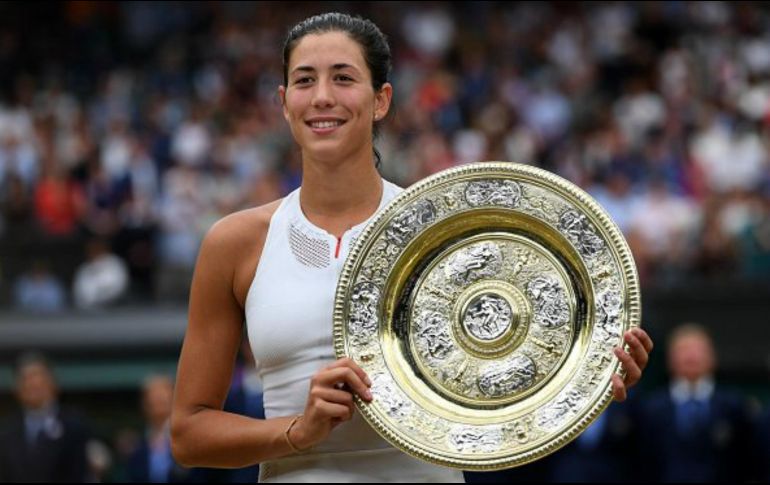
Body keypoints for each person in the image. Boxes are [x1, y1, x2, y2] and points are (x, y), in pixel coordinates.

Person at [171, 12, 653, 482]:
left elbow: (506, 366)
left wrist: (582, 381)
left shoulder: (446, 230)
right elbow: (189, 434)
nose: (321, 97)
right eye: (304, 81)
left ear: (381, 100)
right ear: (283, 101)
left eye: (343, 78)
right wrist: (297, 432)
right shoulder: (235, 242)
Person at [638, 324, 753, 482]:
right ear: (670, 359)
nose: (691, 356)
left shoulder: (734, 406)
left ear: (712, 357)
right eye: (683, 350)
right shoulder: (651, 408)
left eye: (698, 350)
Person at [0, 352, 90, 482]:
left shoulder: (74, 425)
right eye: (25, 378)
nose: (31, 383)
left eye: (36, 376)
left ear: (53, 383)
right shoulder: (7, 430)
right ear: (17, 388)